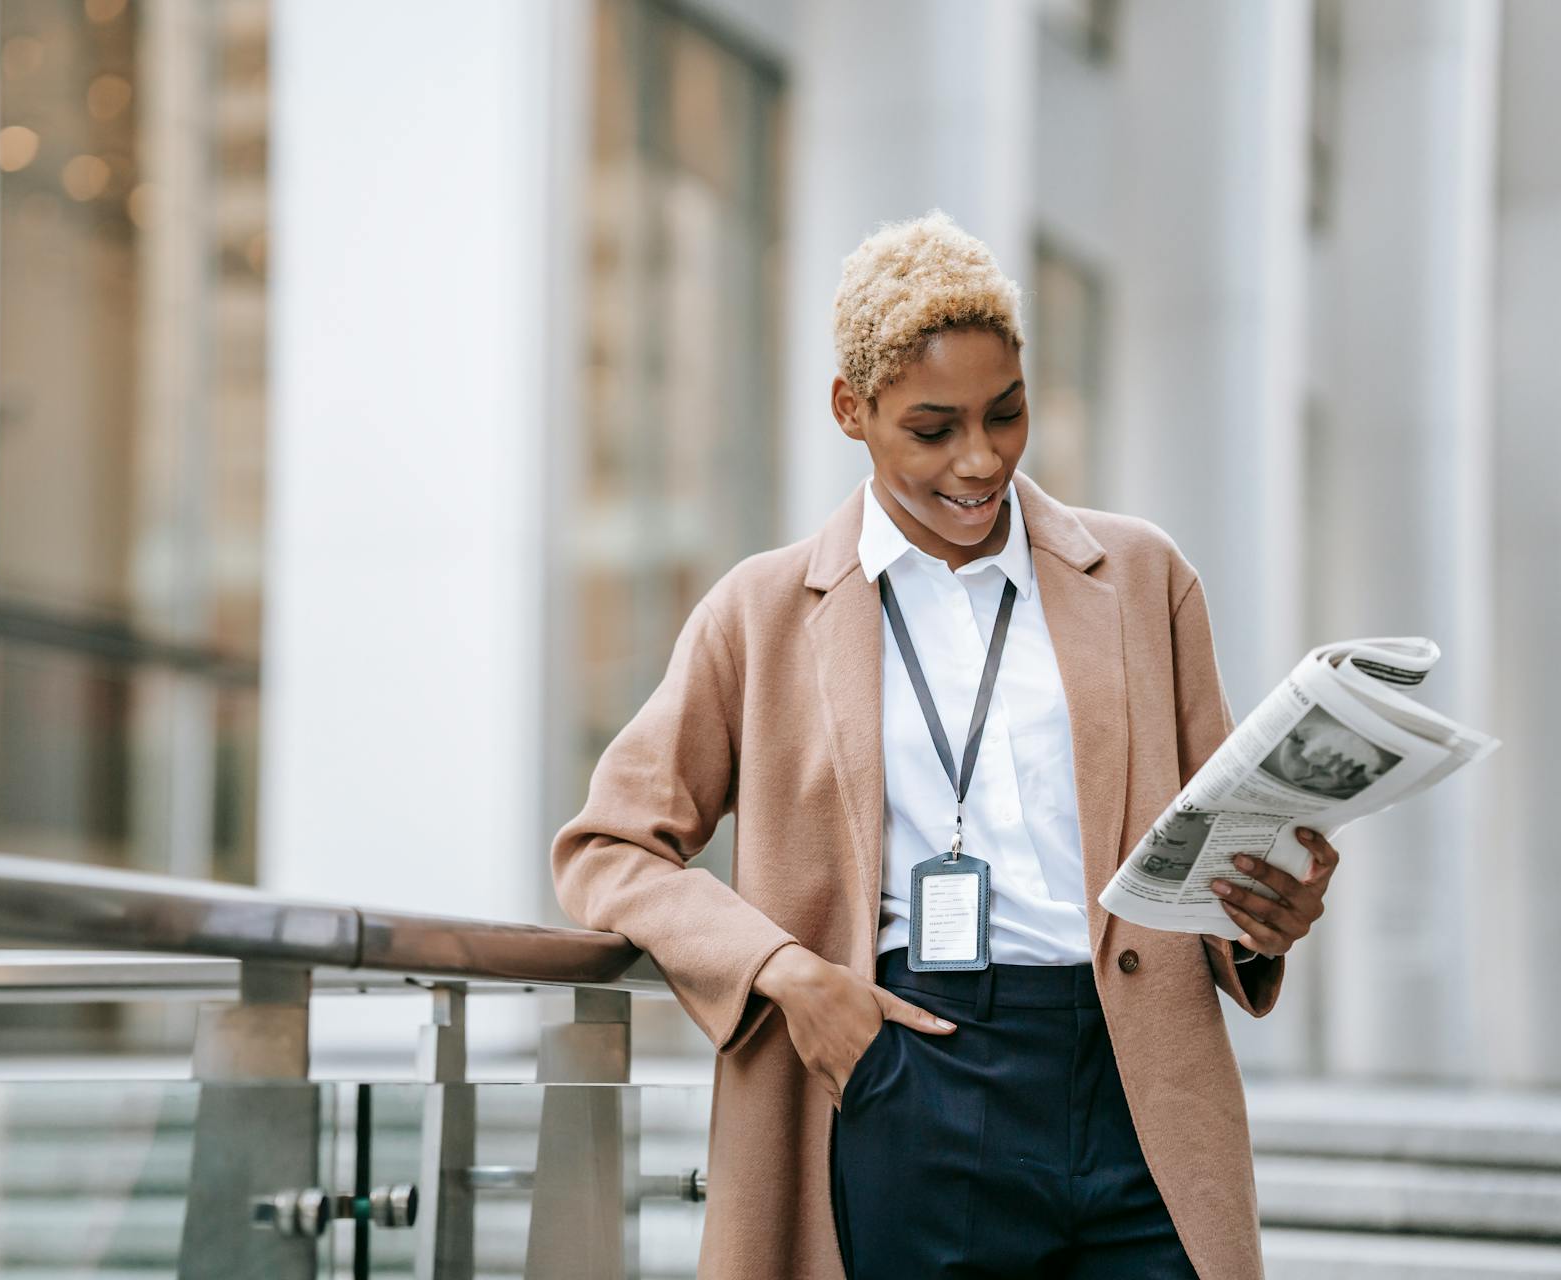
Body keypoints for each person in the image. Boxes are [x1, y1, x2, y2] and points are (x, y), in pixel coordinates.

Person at [551, 211, 1340, 1280]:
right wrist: (786, 972)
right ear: (852, 410)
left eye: (1005, 414)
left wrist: (1266, 917)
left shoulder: (1143, 576)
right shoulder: (763, 612)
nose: (981, 459)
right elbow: (608, 848)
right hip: (907, 1069)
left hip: (1136, 1073)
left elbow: (1209, 834)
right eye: (933, 428)